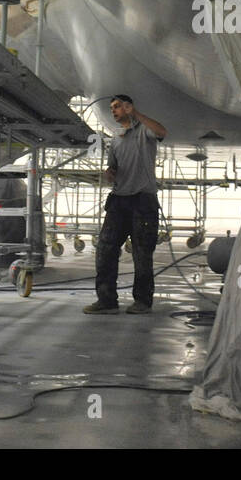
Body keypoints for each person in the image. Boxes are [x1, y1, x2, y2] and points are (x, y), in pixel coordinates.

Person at [84, 95, 168, 315]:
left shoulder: (144, 131)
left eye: (118, 106)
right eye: (112, 108)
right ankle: (107, 300)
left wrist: (136, 115)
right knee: (105, 248)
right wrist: (109, 172)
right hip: (119, 200)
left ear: (129, 107)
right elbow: (112, 166)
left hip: (143, 200)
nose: (113, 110)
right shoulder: (116, 138)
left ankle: (142, 301)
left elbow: (162, 132)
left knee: (142, 252)